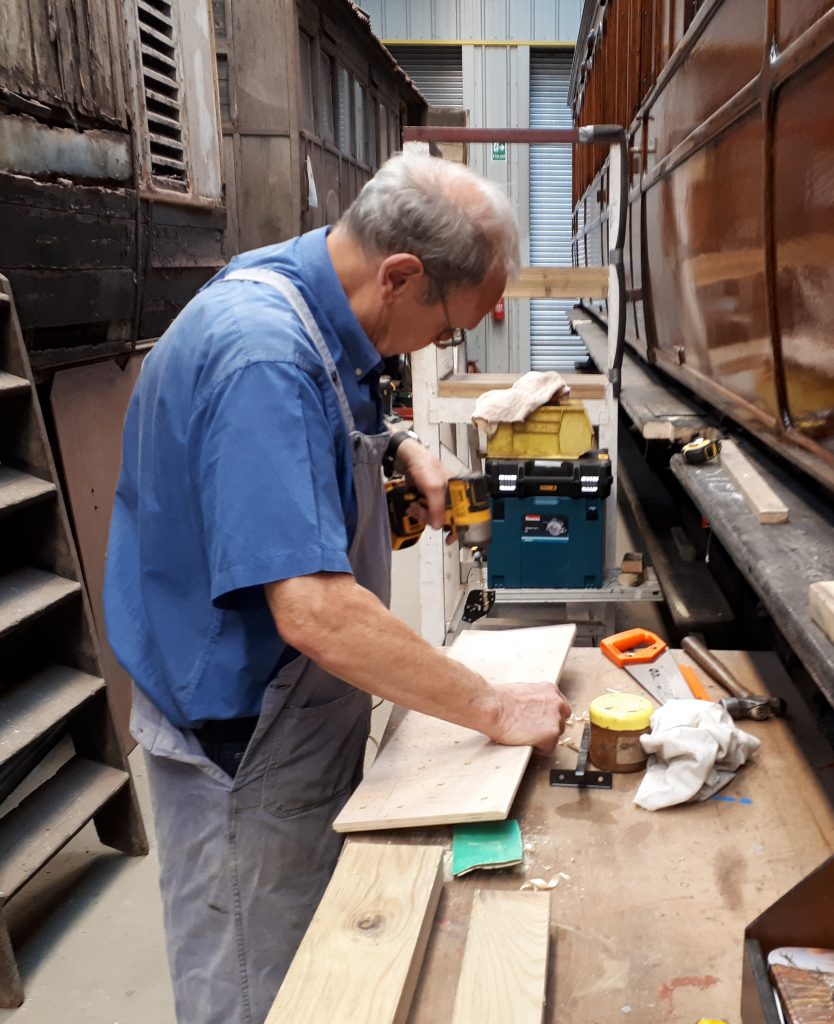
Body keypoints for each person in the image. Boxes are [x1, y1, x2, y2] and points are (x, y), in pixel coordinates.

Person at [104, 152, 571, 1024]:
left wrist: (395, 442)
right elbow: (315, 609)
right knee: (257, 990)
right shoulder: (262, 357)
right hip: (240, 739)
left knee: (320, 977)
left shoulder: (305, 287)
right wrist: (491, 708)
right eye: (442, 332)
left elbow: (341, 392)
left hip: (289, 712)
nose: (436, 348)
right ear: (400, 275)